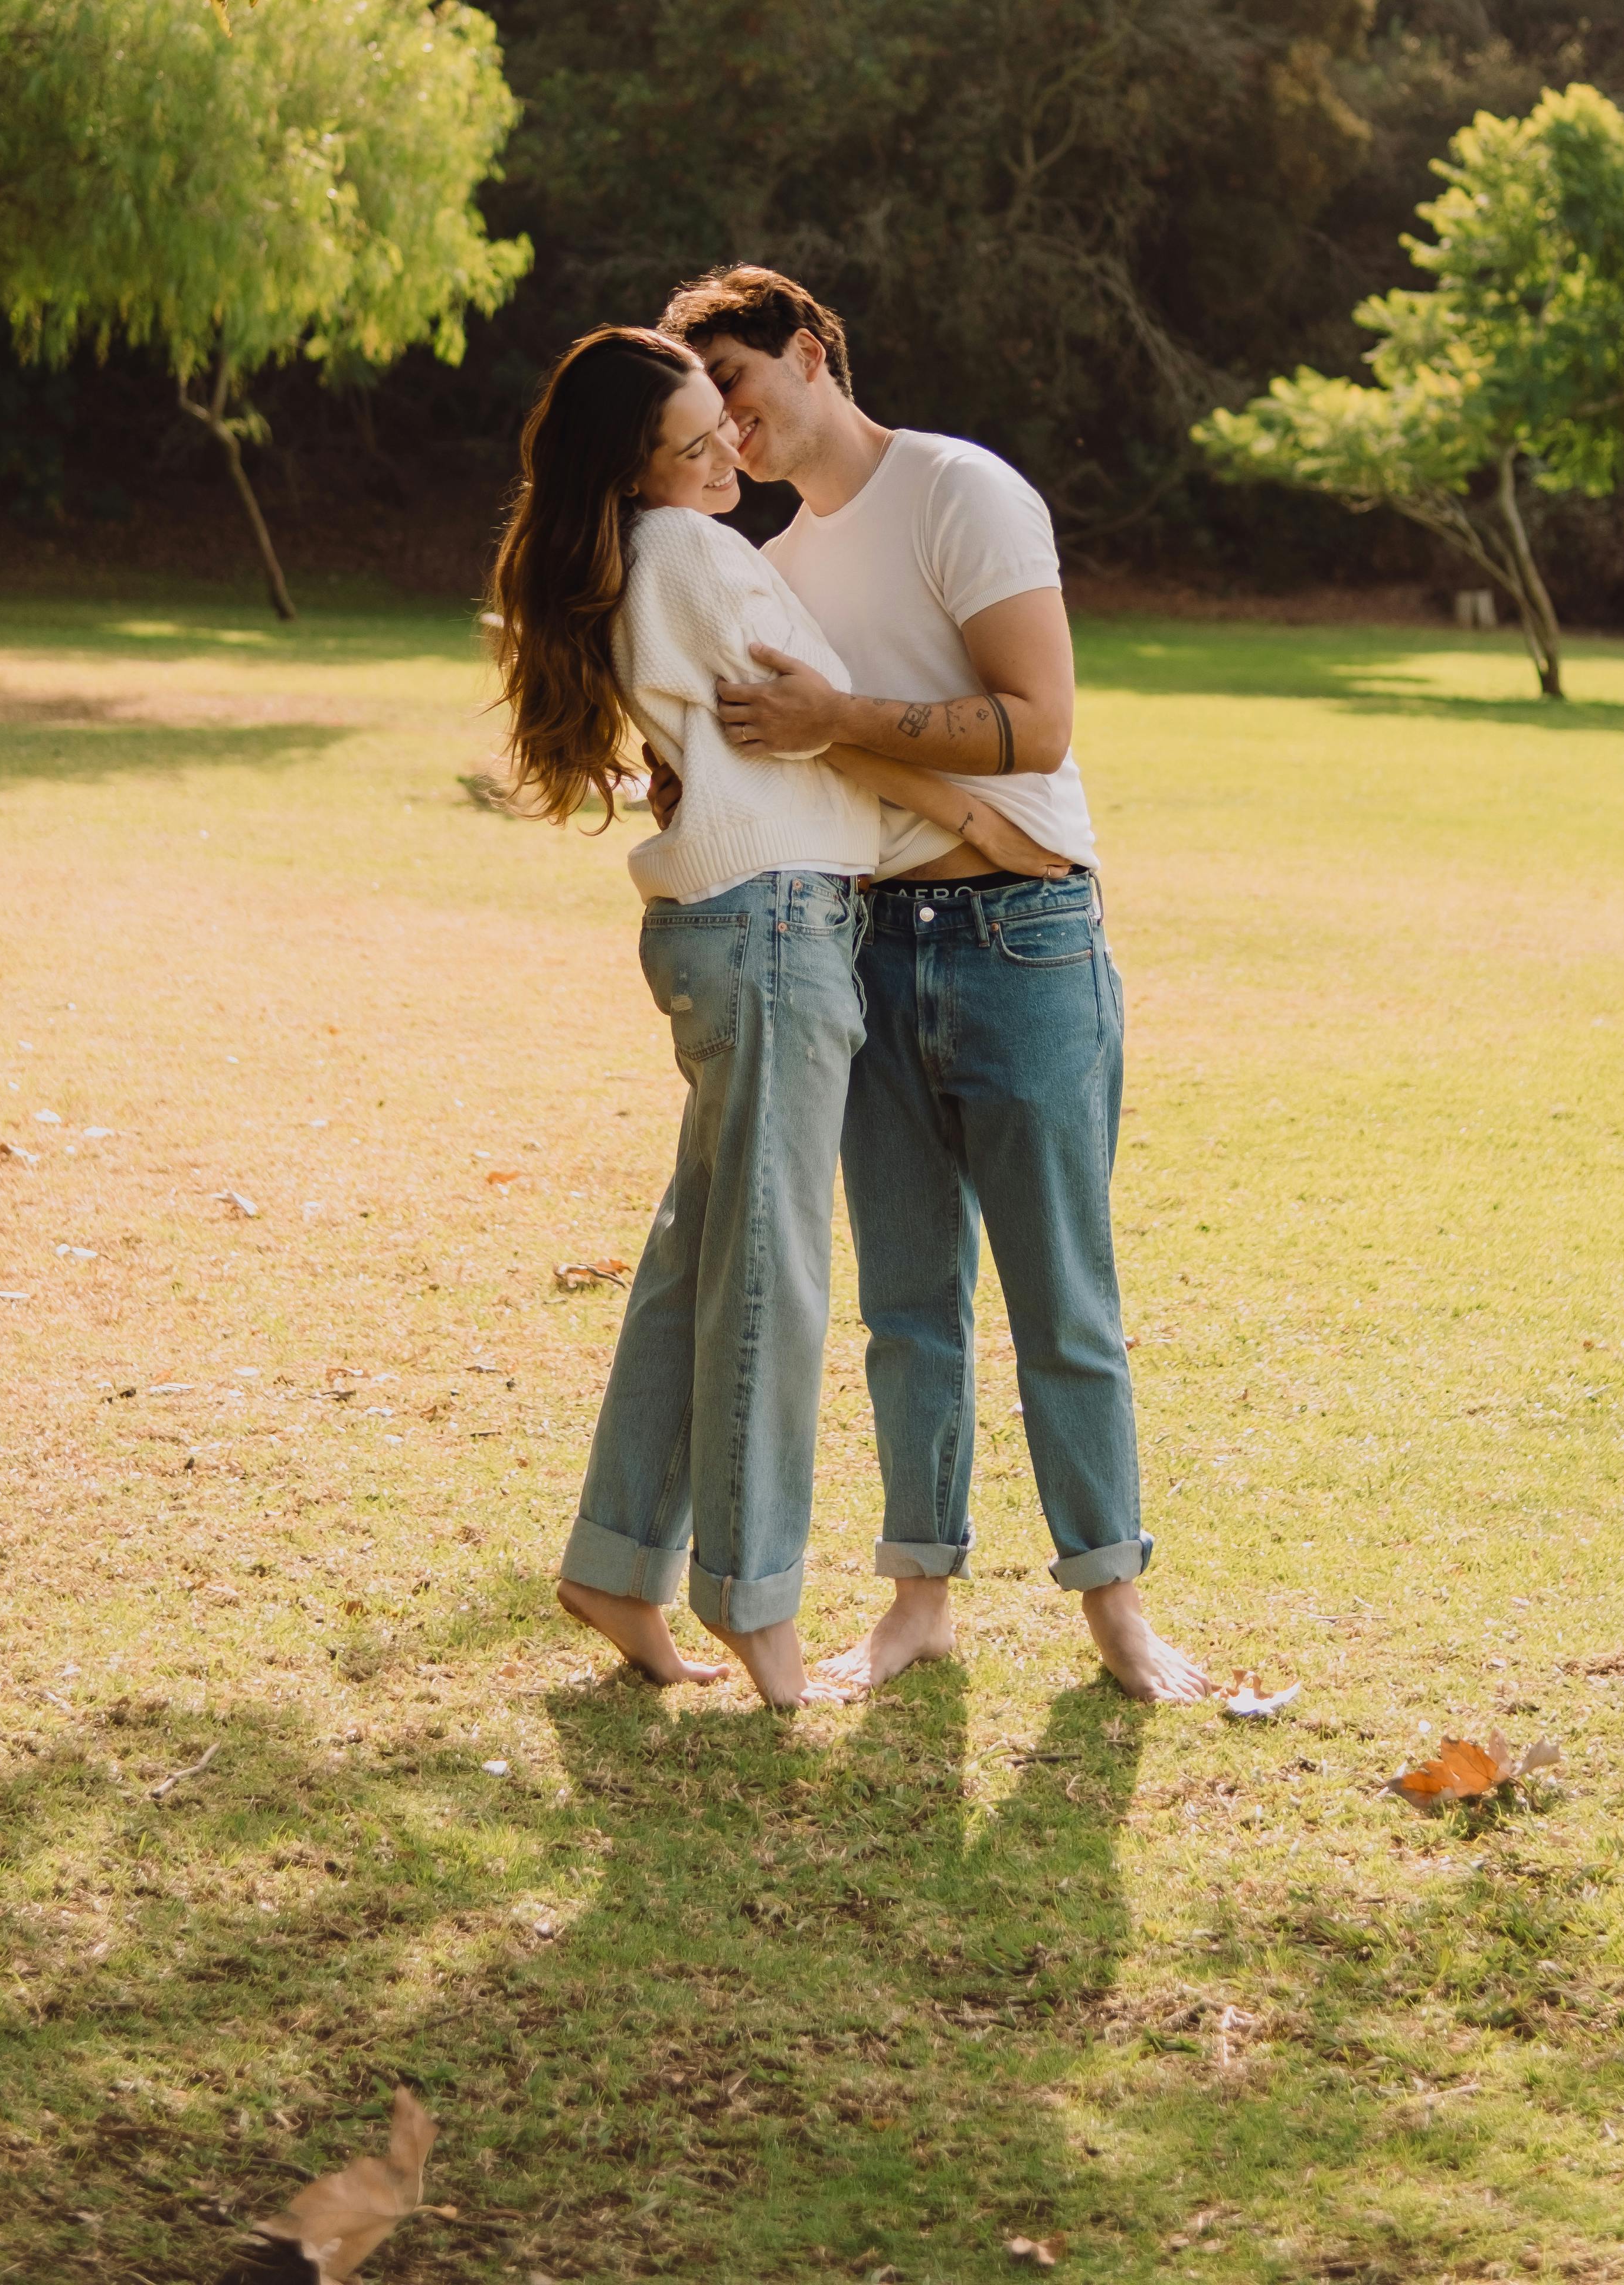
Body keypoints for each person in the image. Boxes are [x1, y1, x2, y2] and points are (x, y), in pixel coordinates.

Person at [489, 324, 1066, 1708]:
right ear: (634, 468)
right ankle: (755, 1602)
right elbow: (816, 725)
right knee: (772, 1276)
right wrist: (983, 814)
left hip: (745, 924)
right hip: (770, 928)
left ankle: (619, 1562)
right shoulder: (691, 553)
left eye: (718, 428)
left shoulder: (660, 554)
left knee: (706, 1256)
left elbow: (787, 735)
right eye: (691, 445)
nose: (722, 461)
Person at [656, 265, 1210, 1706]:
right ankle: (918, 1602)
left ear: (812, 350)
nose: (727, 420)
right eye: (701, 400)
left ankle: (1117, 1605)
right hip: (864, 943)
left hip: (1022, 935)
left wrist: (839, 726)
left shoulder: (965, 492)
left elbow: (1037, 726)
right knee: (909, 1304)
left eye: (739, 379)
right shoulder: (772, 559)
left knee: (1062, 1301)